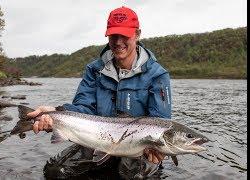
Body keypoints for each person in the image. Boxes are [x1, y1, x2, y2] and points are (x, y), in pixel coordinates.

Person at [27, 6, 172, 179]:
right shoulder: (94, 69)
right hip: (96, 139)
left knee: (135, 177)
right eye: (113, 35)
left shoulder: (158, 75)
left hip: (138, 148)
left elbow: (160, 123)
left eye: (124, 35)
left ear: (137, 34)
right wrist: (55, 113)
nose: (118, 42)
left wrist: (160, 150)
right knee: (56, 172)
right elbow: (84, 108)